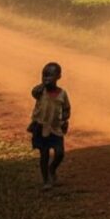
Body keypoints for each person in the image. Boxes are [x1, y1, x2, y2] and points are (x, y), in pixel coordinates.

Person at [29, 62, 71, 191]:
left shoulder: (62, 93)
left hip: (55, 127)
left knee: (60, 153)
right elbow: (34, 92)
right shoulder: (40, 91)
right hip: (40, 127)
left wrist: (65, 119)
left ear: (59, 76)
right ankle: (46, 180)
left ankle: (52, 169)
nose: (46, 78)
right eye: (44, 76)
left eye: (50, 76)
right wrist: (42, 85)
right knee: (44, 155)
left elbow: (66, 108)